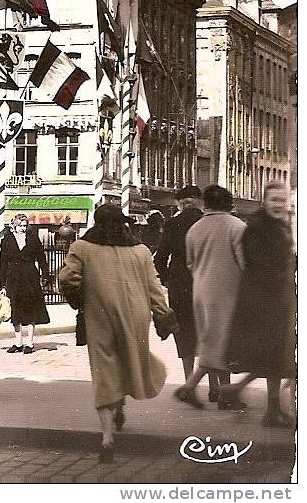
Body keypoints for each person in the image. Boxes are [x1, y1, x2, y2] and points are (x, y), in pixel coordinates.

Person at [59, 203, 173, 463]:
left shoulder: (81, 248)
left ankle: (107, 437)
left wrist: (79, 297)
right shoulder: (141, 251)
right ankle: (120, 403)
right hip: (136, 317)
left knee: (103, 369)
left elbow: (68, 278)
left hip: (100, 316)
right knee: (128, 361)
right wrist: (162, 315)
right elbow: (155, 287)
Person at [220, 183, 296, 428]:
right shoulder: (257, 227)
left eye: (282, 200)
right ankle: (245, 393)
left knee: (276, 357)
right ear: (264, 200)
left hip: (276, 300)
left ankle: (270, 409)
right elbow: (259, 265)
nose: (278, 205)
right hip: (264, 302)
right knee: (274, 356)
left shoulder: (276, 225)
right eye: (274, 200)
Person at [175, 184, 246, 411]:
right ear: (229, 203)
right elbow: (245, 263)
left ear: (205, 204)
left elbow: (190, 263)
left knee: (211, 341)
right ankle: (220, 392)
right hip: (229, 293)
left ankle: (202, 388)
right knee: (223, 343)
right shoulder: (238, 227)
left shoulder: (194, 229)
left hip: (201, 292)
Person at [154, 186, 208, 386]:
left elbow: (160, 258)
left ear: (179, 203)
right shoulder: (206, 222)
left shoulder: (172, 224)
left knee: (184, 334)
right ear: (199, 202)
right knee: (207, 334)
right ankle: (213, 385)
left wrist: (167, 280)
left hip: (180, 286)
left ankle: (188, 382)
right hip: (205, 283)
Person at [0, 213, 50, 353]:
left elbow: (42, 259)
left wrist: (45, 275)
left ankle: (30, 343)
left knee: (31, 309)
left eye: (25, 226)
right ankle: (18, 342)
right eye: (20, 226)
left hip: (30, 277)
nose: (22, 228)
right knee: (15, 309)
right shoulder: (6, 240)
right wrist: (2, 285)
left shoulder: (33, 239)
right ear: (14, 226)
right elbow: (3, 263)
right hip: (13, 278)